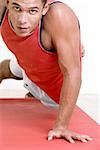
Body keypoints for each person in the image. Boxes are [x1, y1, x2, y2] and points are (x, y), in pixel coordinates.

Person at [0, 0, 91, 143]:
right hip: (28, 60)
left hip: (53, 92)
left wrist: (61, 126)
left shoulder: (59, 16)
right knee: (3, 70)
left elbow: (72, 73)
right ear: (7, 2)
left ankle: (32, 94)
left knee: (34, 101)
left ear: (45, 8)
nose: (22, 21)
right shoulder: (2, 8)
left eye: (32, 11)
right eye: (17, 8)